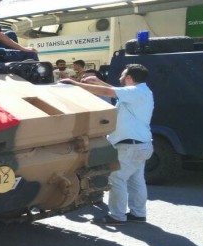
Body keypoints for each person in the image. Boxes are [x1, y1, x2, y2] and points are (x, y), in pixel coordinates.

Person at [60, 64, 154, 226]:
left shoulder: (134, 92)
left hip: (128, 146)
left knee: (117, 179)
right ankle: (138, 214)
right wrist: (98, 82)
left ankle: (117, 216)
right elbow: (114, 90)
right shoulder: (141, 91)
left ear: (129, 78)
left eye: (123, 75)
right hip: (140, 145)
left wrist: (75, 84)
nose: (120, 77)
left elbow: (108, 92)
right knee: (136, 180)